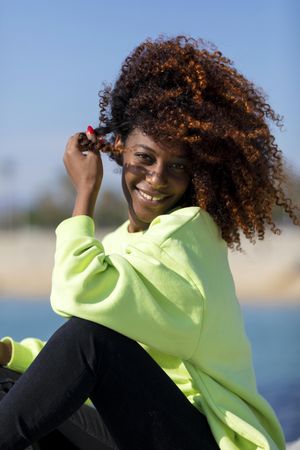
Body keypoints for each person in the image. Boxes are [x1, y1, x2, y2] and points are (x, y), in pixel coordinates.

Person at [0, 34, 299, 450]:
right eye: (145, 157)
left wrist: (85, 192)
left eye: (177, 165)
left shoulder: (187, 235)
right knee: (7, 381)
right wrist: (8, 355)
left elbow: (76, 299)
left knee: (88, 340)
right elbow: (77, 364)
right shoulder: (129, 240)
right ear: (119, 149)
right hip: (152, 430)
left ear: (197, 173)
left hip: (207, 440)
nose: (157, 178)